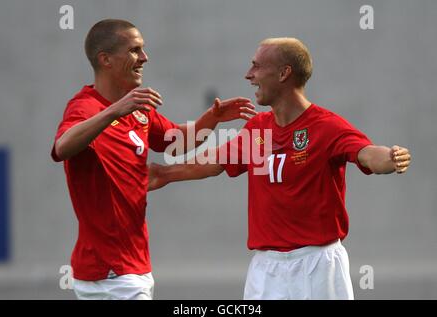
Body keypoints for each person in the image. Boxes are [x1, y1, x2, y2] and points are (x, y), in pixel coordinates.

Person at [148, 37, 412, 300]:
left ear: (284, 73)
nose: (248, 75)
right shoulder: (258, 128)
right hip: (266, 270)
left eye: (257, 66)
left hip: (319, 266)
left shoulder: (328, 126)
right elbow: (216, 161)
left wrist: (391, 157)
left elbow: (367, 155)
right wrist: (164, 174)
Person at [50, 19, 256, 300]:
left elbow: (177, 142)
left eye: (143, 50)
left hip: (131, 266)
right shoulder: (86, 107)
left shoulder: (138, 111)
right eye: (135, 50)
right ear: (105, 59)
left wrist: (213, 118)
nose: (144, 58)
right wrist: (113, 112)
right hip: (111, 272)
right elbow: (62, 147)